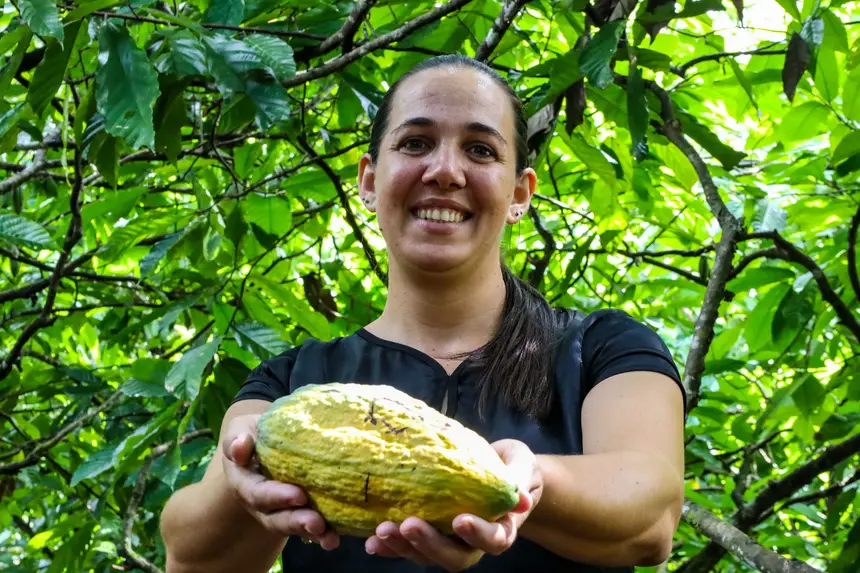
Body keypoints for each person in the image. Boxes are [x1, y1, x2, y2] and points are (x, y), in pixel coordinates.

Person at [159, 54, 687, 573]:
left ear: (519, 194)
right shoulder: (294, 381)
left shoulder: (601, 347)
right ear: (368, 180)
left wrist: (520, 483)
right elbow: (192, 558)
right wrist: (244, 471)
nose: (445, 171)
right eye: (415, 143)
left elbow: (653, 514)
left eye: (480, 150)